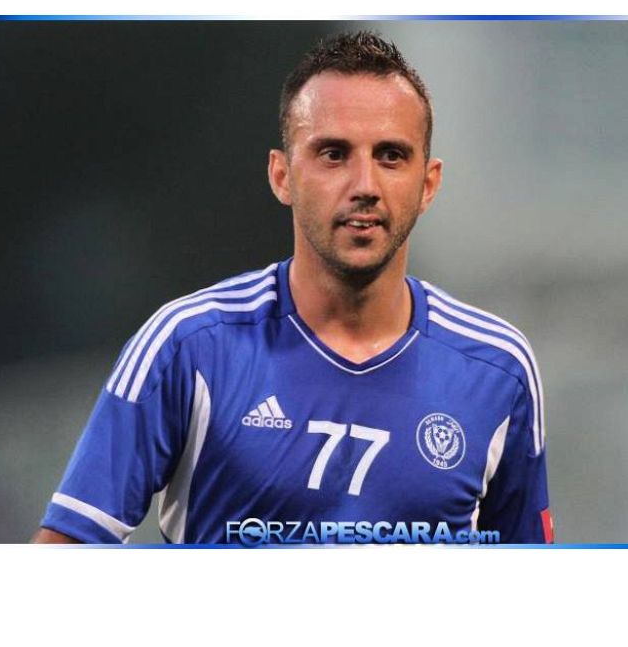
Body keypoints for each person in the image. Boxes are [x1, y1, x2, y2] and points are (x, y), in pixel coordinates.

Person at [33, 31, 552, 545]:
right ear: (282, 176)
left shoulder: (498, 369)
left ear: (428, 184)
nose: (365, 185)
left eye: (391, 156)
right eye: (333, 154)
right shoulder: (188, 348)